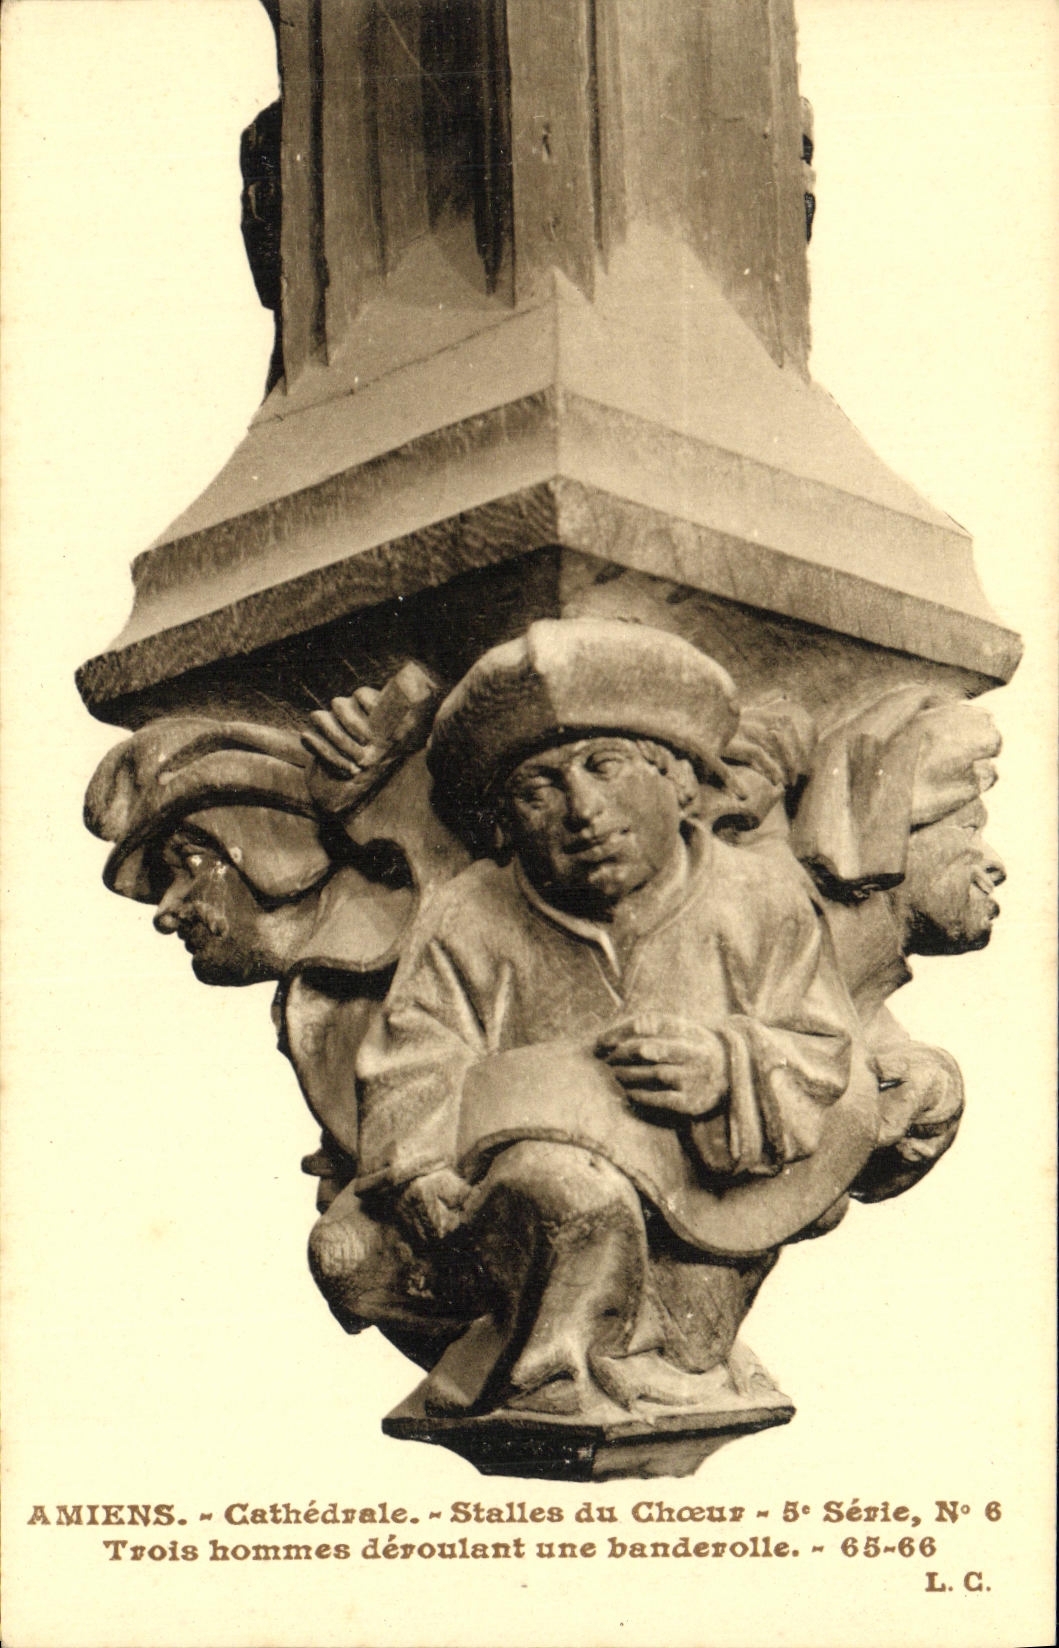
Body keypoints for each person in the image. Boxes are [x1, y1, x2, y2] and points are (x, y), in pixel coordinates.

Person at [311, 619, 878, 1422]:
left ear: (678, 780)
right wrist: (420, 1169)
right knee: (398, 1241)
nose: (581, 808)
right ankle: (541, 1365)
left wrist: (726, 1066)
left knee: (675, 1343)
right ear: (503, 823)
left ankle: (559, 1363)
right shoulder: (471, 912)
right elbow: (416, 1059)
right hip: (512, 1214)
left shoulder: (757, 899)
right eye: (536, 789)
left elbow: (828, 1052)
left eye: (605, 766)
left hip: (707, 1211)